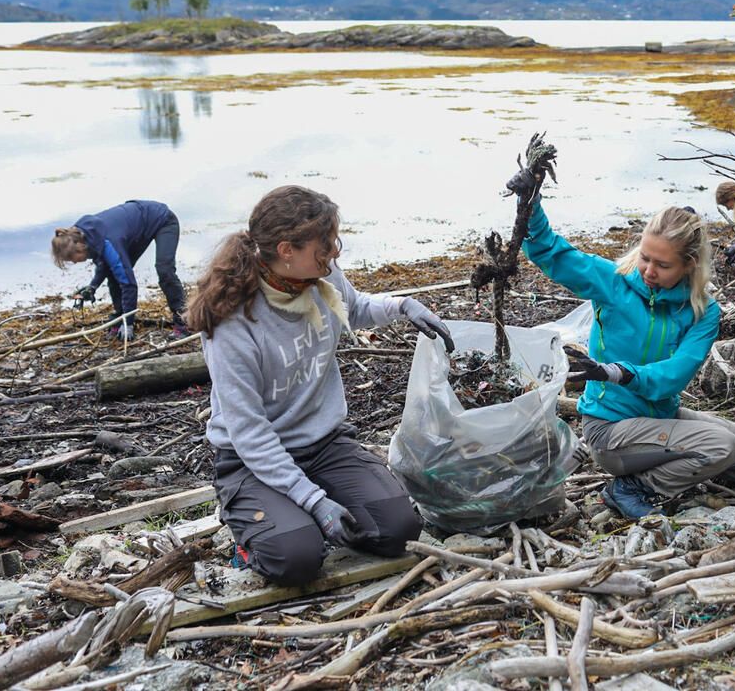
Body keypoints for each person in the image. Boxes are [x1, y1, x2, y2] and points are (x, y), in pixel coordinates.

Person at [187, 185, 454, 585]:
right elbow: (249, 433)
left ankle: (302, 512)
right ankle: (254, 532)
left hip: (324, 445)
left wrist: (403, 307)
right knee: (297, 559)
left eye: (334, 243)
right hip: (252, 460)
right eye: (324, 246)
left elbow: (356, 306)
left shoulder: (319, 277)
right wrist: (315, 502)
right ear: (285, 250)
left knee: (398, 529)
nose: (334, 254)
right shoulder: (232, 324)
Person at [509, 168, 735, 521]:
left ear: (690, 265)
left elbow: (674, 377)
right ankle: (633, 488)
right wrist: (529, 203)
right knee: (721, 445)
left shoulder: (703, 312)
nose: (648, 271)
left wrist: (618, 372)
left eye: (662, 264)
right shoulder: (614, 282)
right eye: (645, 257)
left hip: (659, 418)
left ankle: (689, 466)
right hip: (611, 430)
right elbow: (551, 252)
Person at [51, 200, 188, 340]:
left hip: (162, 219)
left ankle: (183, 321)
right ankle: (119, 318)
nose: (74, 262)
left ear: (79, 246)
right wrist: (93, 286)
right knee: (114, 274)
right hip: (135, 228)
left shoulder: (109, 240)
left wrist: (128, 323)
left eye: (73, 258)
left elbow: (129, 283)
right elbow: (104, 262)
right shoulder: (83, 235)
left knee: (164, 270)